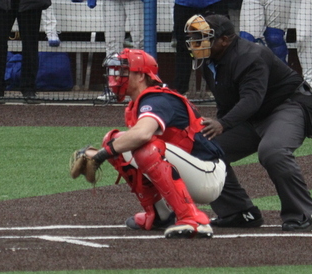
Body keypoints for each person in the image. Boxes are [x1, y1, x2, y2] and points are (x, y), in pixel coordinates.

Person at [185, 14, 312, 231]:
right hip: (251, 117)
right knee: (202, 148)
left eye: (202, 38)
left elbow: (252, 99)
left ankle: (302, 213)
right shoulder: (210, 59)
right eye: (194, 38)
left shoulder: (251, 56)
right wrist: (221, 126)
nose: (196, 43)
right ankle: (238, 212)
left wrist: (223, 123)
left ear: (225, 40)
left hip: (286, 107)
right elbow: (229, 101)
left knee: (273, 152)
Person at [73, 48, 223, 238]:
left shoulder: (158, 99)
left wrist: (101, 155)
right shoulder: (139, 102)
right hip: (191, 169)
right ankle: (160, 215)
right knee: (116, 141)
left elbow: (142, 134)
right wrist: (107, 149)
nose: (116, 76)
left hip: (207, 173)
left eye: (123, 71)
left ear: (141, 76)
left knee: (142, 146)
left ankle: (193, 220)